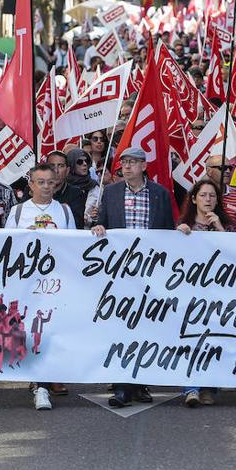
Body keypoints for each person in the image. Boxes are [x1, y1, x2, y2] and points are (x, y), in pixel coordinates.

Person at [92, 147, 175, 408]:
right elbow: (102, 223)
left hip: (150, 271)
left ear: (143, 165)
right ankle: (122, 385)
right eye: (123, 163)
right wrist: (97, 225)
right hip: (121, 271)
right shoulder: (112, 192)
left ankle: (139, 384)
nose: (126, 167)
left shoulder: (160, 194)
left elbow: (167, 231)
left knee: (146, 325)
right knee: (122, 325)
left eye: (132, 163)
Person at [5, 163, 77, 410]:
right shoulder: (17, 213)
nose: (46, 187)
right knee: (32, 333)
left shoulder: (64, 212)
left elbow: (73, 249)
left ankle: (46, 380)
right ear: (30, 185)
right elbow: (7, 248)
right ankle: (40, 385)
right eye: (40, 182)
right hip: (27, 284)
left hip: (55, 284)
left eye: (50, 182)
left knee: (50, 333)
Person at [175, 178, 230, 408]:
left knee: (214, 338)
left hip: (217, 292)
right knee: (191, 338)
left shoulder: (224, 223)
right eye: (203, 195)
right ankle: (191, 387)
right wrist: (179, 234)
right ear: (194, 198)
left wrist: (219, 228)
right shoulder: (184, 224)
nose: (208, 200)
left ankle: (209, 386)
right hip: (191, 291)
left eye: (212, 196)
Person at [46, 151, 87, 229]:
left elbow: (77, 224)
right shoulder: (35, 191)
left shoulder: (76, 194)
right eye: (52, 166)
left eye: (60, 166)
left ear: (67, 170)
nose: (56, 170)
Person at [64, 147, 100, 224]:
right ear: (71, 164)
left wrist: (96, 215)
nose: (84, 164)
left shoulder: (94, 186)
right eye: (79, 162)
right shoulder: (63, 186)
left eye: (86, 160)